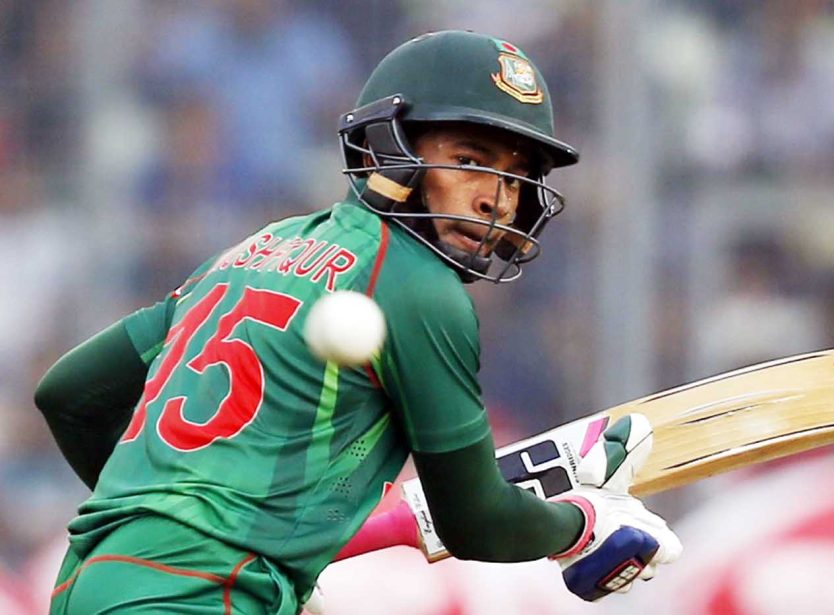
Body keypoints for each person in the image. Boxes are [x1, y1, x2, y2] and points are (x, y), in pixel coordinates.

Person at [34, 30, 681, 613]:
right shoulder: (417, 286)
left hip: (87, 583)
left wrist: (170, 524)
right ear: (385, 145)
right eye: (470, 158)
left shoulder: (256, 248)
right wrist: (581, 526)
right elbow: (475, 519)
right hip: (198, 596)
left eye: (515, 177)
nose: (495, 196)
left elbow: (68, 395)